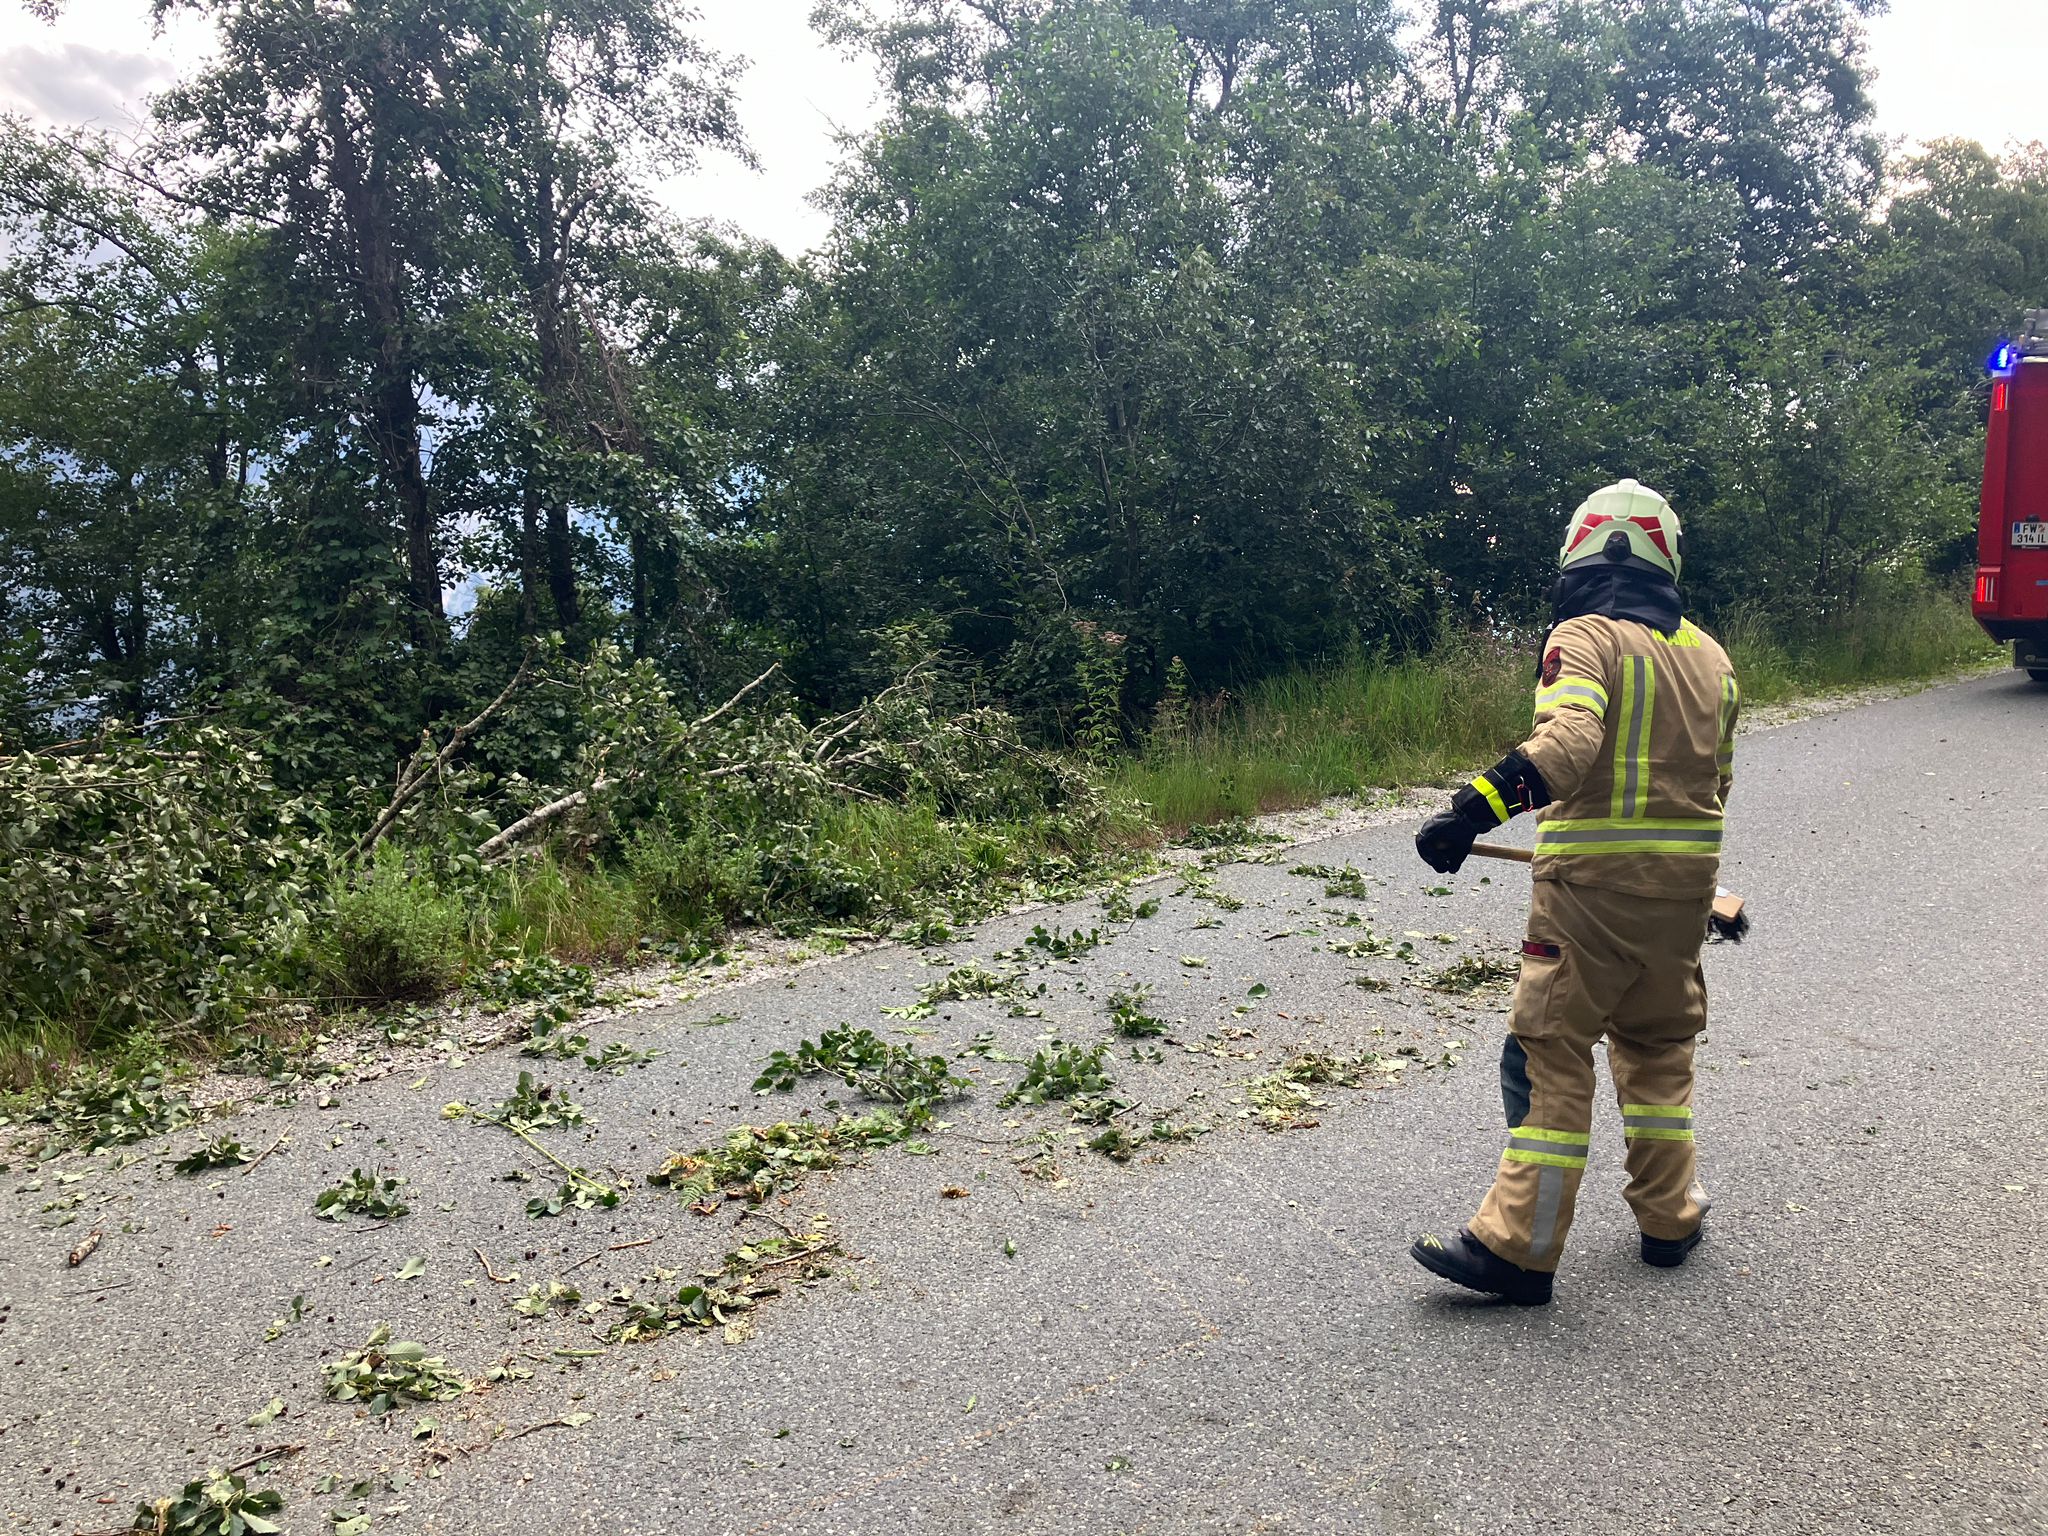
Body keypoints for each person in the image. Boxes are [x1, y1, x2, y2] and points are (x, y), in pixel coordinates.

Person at [1407, 479, 1739, 1306]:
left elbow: (1570, 740)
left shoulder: (1583, 637)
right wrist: (1692, 891)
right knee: (1659, 1056)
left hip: (1586, 896)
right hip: (1679, 900)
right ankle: (1670, 1220)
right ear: (1667, 556)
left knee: (1549, 1056)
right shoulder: (1713, 659)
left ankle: (1520, 1249)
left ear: (1577, 551)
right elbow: (1711, 787)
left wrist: (1467, 813)